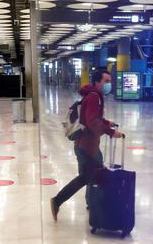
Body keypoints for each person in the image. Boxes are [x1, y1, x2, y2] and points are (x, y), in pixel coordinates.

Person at [50, 69, 123, 222]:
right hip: (87, 147)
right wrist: (110, 132)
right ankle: (59, 201)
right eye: (106, 81)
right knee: (92, 176)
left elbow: (93, 118)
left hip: (87, 145)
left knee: (90, 176)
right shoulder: (94, 97)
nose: (109, 84)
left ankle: (89, 204)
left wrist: (106, 122)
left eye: (110, 81)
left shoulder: (92, 95)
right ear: (97, 82)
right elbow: (92, 122)